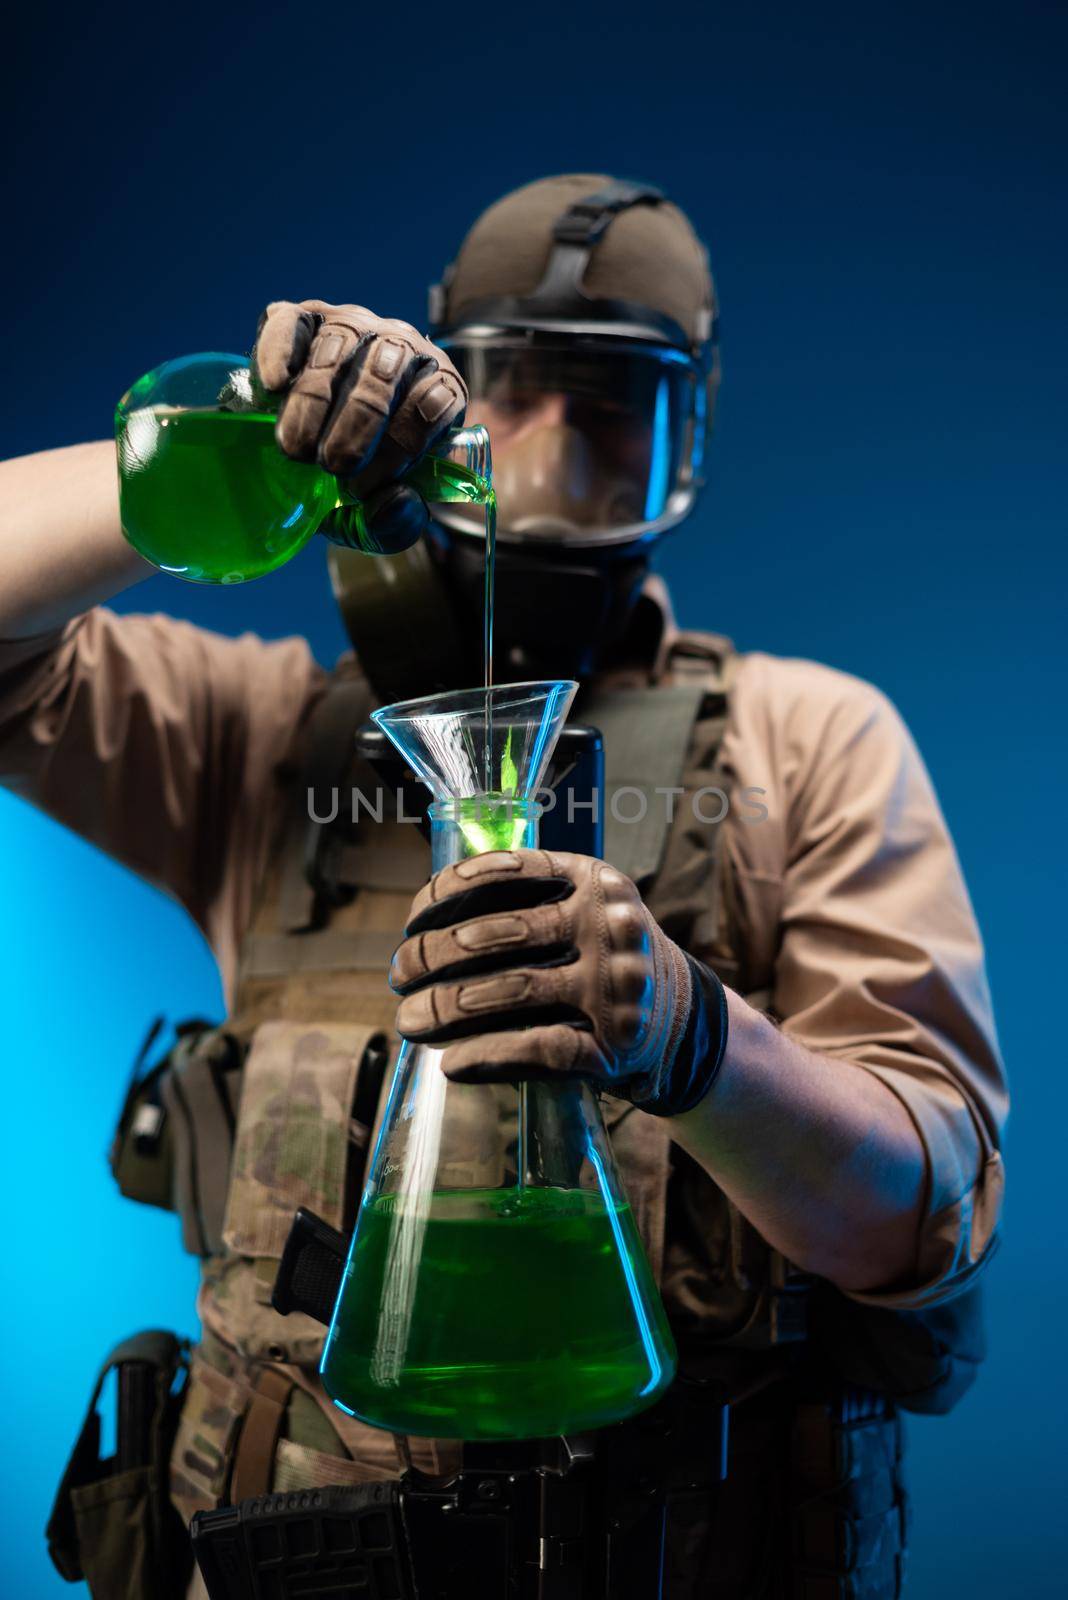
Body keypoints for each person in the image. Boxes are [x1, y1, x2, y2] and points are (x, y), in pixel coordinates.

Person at [0, 175, 1007, 1599]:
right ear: (436, 401)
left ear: (681, 441)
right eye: (504, 398)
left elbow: (926, 1225)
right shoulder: (264, 737)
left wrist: (696, 1038)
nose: (542, 457)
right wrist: (248, 433)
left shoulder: (808, 742)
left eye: (608, 410)